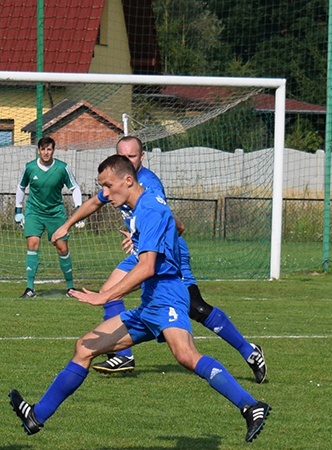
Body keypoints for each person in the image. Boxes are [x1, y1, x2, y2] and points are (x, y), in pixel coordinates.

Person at [9, 154, 270, 442]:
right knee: (84, 347)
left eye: (108, 186)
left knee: (185, 355)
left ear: (128, 180)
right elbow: (170, 237)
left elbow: (147, 267)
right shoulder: (142, 208)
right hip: (150, 302)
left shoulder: (149, 210)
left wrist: (104, 296)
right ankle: (37, 415)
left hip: (168, 296)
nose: (105, 193)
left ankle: (251, 406)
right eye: (102, 187)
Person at [52, 136, 266, 382]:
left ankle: (249, 351)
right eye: (122, 155)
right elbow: (94, 202)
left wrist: (142, 235)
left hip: (167, 252)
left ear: (141, 158)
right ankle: (124, 355)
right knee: (110, 291)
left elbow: (175, 225)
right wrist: (67, 225)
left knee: (195, 307)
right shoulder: (116, 181)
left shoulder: (150, 185)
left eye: (131, 156)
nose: (127, 159)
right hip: (143, 251)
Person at [14, 136, 83, 298]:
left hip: (55, 213)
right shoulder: (30, 168)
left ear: (53, 150)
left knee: (62, 247)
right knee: (32, 244)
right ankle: (30, 288)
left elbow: (75, 188)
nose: (46, 152)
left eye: (49, 149)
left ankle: (70, 288)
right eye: (43, 149)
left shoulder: (62, 168)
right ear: (38, 151)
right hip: (34, 212)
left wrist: (79, 209)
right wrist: (18, 210)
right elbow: (21, 187)